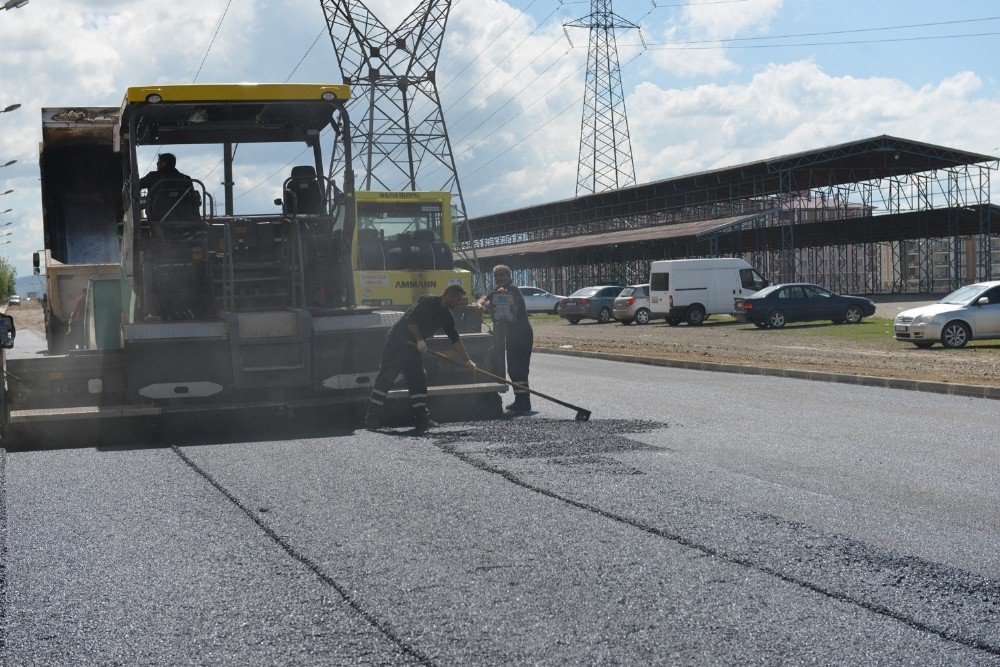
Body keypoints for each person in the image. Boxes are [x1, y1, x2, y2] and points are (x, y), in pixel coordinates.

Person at [365, 284, 477, 430]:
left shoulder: (447, 315)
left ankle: (421, 418)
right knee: (386, 377)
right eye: (457, 299)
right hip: (398, 343)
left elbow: (455, 339)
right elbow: (411, 321)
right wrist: (419, 340)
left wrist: (467, 360)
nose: (458, 303)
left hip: (413, 348)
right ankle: (371, 418)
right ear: (448, 294)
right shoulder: (428, 302)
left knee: (418, 378)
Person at [477, 264, 533, 413]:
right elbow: (484, 299)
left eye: (502, 275)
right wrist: (480, 303)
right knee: (513, 369)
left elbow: (498, 302)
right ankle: (520, 400)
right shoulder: (497, 291)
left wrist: (487, 304)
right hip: (511, 335)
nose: (499, 278)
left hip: (521, 334)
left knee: (519, 368)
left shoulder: (512, 290)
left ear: (509, 276)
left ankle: (524, 403)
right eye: (496, 276)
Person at [138, 152, 199, 221]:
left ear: (163, 164)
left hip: (157, 218)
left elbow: (137, 185)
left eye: (158, 162)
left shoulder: (152, 176)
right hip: (183, 218)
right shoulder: (186, 178)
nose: (157, 164)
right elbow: (193, 199)